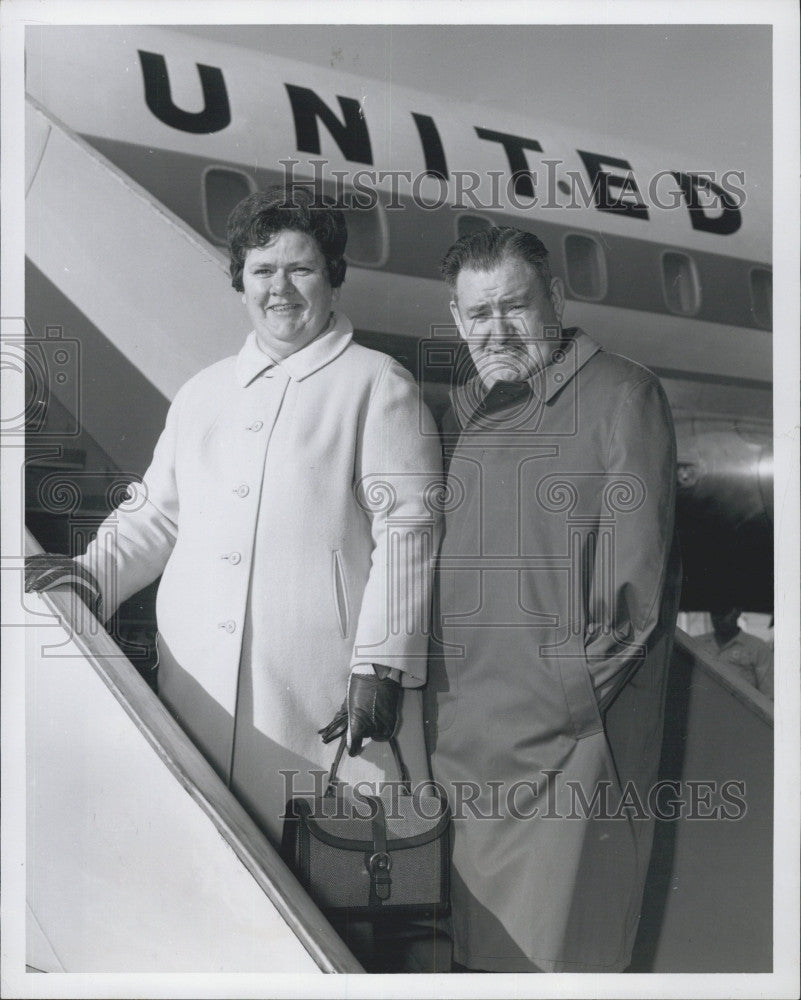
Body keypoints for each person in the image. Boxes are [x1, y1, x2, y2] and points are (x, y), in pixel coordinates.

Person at [26, 186, 444, 969]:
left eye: (300, 268)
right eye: (261, 270)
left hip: (324, 705)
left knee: (332, 915)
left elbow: (409, 531)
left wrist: (381, 663)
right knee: (213, 905)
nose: (279, 289)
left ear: (333, 275)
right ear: (238, 279)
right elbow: (156, 516)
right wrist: (86, 580)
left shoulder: (375, 384)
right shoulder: (203, 392)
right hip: (201, 696)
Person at [425, 226, 682, 973]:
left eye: (514, 306)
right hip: (463, 749)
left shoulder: (621, 395)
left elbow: (634, 598)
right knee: (476, 964)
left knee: (555, 962)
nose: (496, 330)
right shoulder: (466, 410)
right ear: (455, 318)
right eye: (478, 314)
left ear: (556, 301)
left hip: (563, 757)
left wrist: (560, 705)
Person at [696, 607, 773, 699]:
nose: (719, 617)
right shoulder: (696, 644)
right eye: (715, 613)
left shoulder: (757, 647)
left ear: (738, 612)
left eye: (725, 612)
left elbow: (769, 694)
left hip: (742, 710)